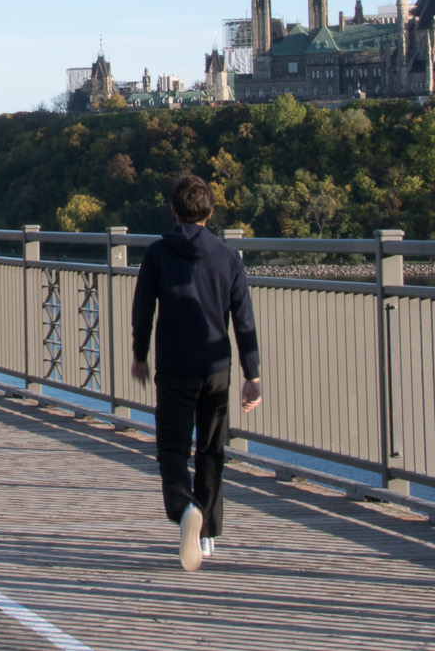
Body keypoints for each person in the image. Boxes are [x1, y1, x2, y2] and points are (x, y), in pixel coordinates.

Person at [129, 174, 261, 573]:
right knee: (211, 449)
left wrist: (140, 355)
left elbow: (142, 311)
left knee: (172, 448)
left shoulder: (157, 254)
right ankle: (206, 534)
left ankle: (185, 506)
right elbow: (244, 320)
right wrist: (251, 374)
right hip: (217, 368)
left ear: (172, 210)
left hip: (174, 368)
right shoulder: (228, 258)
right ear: (210, 212)